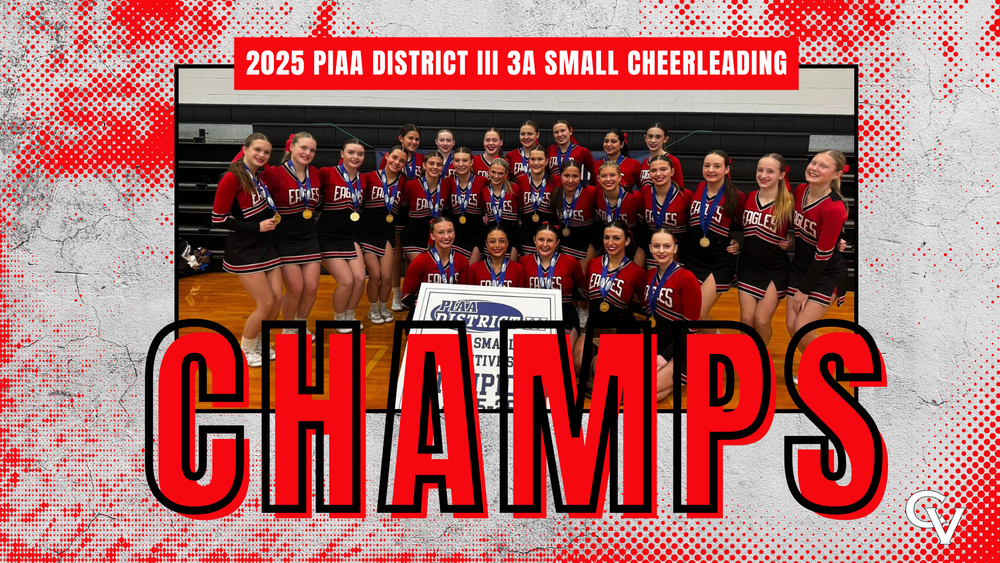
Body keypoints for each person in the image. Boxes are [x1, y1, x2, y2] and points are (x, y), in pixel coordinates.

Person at [210, 133, 281, 367]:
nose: (262, 155)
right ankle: (246, 348)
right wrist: (256, 227)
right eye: (257, 150)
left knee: (277, 299)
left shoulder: (257, 177)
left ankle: (262, 343)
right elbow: (218, 219)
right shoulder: (231, 178)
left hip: (266, 246)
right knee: (266, 303)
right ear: (245, 149)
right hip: (244, 249)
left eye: (267, 152)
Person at [786, 150, 850, 353]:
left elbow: (823, 255)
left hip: (826, 273)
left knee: (803, 328)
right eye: (813, 163)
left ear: (837, 174)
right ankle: (815, 369)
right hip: (800, 267)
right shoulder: (800, 191)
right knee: (792, 327)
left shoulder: (834, 207)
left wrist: (804, 290)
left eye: (823, 166)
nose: (814, 168)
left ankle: (827, 367)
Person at [260, 132, 322, 339]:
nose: (308, 153)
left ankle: (301, 324)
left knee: (311, 288)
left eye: (312, 150)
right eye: (304, 148)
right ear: (291, 148)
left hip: (309, 237)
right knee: (296, 288)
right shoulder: (274, 173)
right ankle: (288, 329)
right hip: (284, 239)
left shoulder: (316, 174)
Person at [573, 220, 647, 373]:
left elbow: (644, 305)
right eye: (606, 238)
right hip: (594, 326)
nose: (610, 242)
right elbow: (584, 294)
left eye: (616, 238)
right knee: (579, 364)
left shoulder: (636, 272)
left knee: (604, 367)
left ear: (627, 241)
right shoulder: (593, 264)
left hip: (621, 329)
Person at [737, 153, 794, 346]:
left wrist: (792, 240)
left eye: (770, 171)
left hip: (775, 269)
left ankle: (760, 358)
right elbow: (736, 225)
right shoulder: (750, 197)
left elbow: (806, 231)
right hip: (747, 266)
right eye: (760, 170)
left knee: (761, 321)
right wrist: (735, 242)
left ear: (781, 175)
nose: (763, 175)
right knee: (746, 321)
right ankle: (748, 358)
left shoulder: (789, 203)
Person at [685, 150, 745, 329]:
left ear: (727, 169)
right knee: (693, 315)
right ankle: (716, 340)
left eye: (717, 166)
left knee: (697, 314)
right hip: (695, 258)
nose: (711, 170)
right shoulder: (699, 189)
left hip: (719, 260)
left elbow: (746, 225)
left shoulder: (736, 195)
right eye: (707, 165)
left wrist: (738, 242)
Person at [644, 229, 702, 402]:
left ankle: (692, 370)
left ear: (675, 249)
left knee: (644, 390)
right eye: (656, 246)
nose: (661, 250)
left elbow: (690, 327)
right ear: (650, 248)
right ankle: (672, 383)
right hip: (657, 345)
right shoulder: (650, 275)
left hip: (680, 349)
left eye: (667, 246)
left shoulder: (687, 278)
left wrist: (665, 356)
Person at [318, 138, 368, 332]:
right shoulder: (326, 173)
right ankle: (339, 318)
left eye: (360, 154)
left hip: (349, 236)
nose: (355, 157)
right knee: (346, 281)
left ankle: (349, 315)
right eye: (351, 152)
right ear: (342, 154)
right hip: (327, 236)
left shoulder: (363, 179)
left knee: (360, 278)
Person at [359, 145, 407, 325]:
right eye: (394, 158)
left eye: (402, 161)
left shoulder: (404, 182)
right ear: (387, 156)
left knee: (387, 276)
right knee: (376, 275)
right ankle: (373, 310)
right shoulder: (369, 177)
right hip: (367, 231)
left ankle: (384, 307)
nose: (397, 162)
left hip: (387, 233)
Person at [520, 223, 586, 349]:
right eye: (541, 240)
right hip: (533, 316)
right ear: (534, 240)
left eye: (550, 240)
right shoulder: (524, 262)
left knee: (561, 359)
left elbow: (581, 288)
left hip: (564, 317)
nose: (545, 244)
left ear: (557, 242)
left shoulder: (570, 262)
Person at [401, 216, 470, 315]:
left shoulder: (462, 260)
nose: (446, 236)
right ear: (432, 236)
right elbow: (405, 296)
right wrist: (420, 302)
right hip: (425, 313)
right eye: (441, 232)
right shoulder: (421, 261)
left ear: (454, 234)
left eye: (450, 231)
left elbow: (464, 292)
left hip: (452, 312)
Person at [388, 124, 422, 311]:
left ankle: (409, 293)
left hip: (413, 212)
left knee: (411, 256)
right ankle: (395, 295)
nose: (414, 142)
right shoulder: (394, 158)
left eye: (417, 139)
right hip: (395, 210)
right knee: (396, 254)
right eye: (411, 138)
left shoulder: (421, 159)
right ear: (401, 139)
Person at [400, 151, 452, 263]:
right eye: (431, 163)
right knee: (423, 268)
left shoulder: (447, 185)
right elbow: (403, 208)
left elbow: (447, 211)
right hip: (413, 237)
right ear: (424, 165)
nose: (435, 167)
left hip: (438, 238)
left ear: (442, 167)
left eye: (439, 164)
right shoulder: (411, 185)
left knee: (434, 272)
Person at [639, 155, 690, 269]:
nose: (658, 174)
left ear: (672, 171)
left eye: (663, 169)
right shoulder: (644, 192)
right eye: (653, 170)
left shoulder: (686, 196)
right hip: (654, 251)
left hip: (679, 253)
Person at [592, 161, 643, 261]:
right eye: (603, 176)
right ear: (598, 179)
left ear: (620, 177)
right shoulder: (596, 195)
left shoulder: (635, 197)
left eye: (612, 175)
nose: (608, 179)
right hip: (607, 242)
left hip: (631, 243)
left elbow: (642, 223)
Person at [514, 145, 559, 255]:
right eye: (533, 159)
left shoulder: (556, 181)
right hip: (527, 232)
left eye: (540, 159)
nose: (536, 163)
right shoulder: (520, 181)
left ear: (546, 161)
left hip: (549, 232)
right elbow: (519, 208)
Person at [447, 147, 487, 263]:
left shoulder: (482, 181)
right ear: (453, 162)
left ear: (471, 162)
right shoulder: (448, 182)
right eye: (457, 160)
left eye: (465, 160)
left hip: (475, 234)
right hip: (454, 235)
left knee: (470, 274)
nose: (461, 164)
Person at [639, 122, 684, 188]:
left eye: (658, 137)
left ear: (665, 139)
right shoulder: (644, 163)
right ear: (645, 138)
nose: (653, 140)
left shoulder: (673, 161)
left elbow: (680, 189)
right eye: (650, 136)